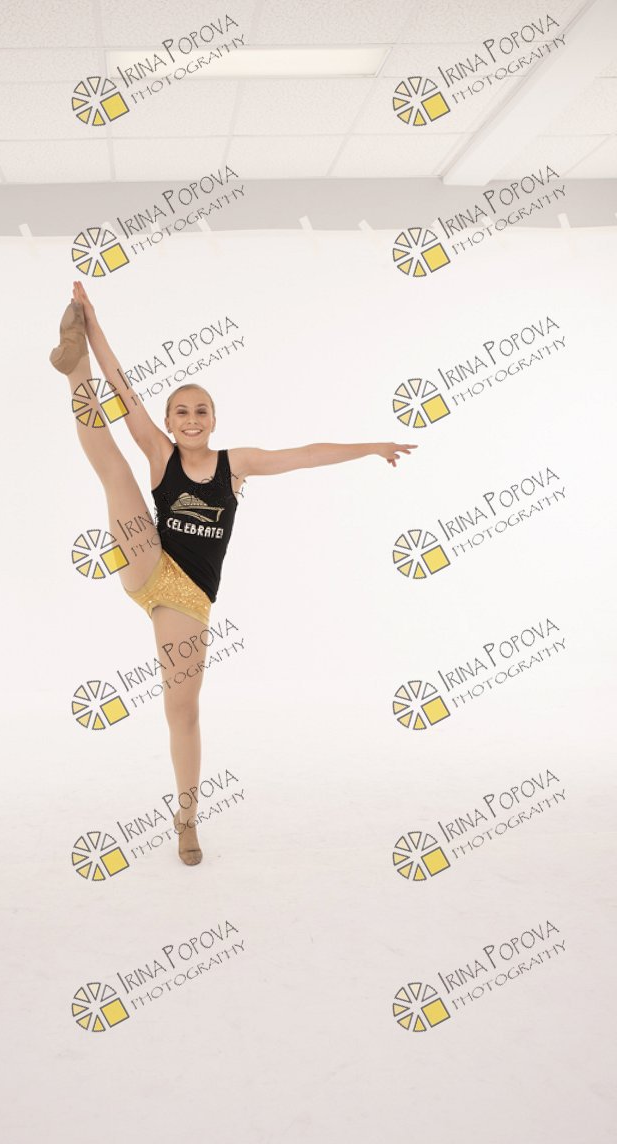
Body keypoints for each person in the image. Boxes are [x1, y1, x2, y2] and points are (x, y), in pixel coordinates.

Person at [50, 281, 417, 866]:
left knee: (183, 711)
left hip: (187, 599)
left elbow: (306, 455)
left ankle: (187, 818)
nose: (191, 418)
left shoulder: (235, 464)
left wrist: (371, 446)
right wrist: (88, 324)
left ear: (214, 420)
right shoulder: (161, 454)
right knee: (115, 471)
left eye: (201, 410)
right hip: (147, 559)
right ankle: (72, 366)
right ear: (168, 421)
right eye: (181, 411)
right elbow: (122, 388)